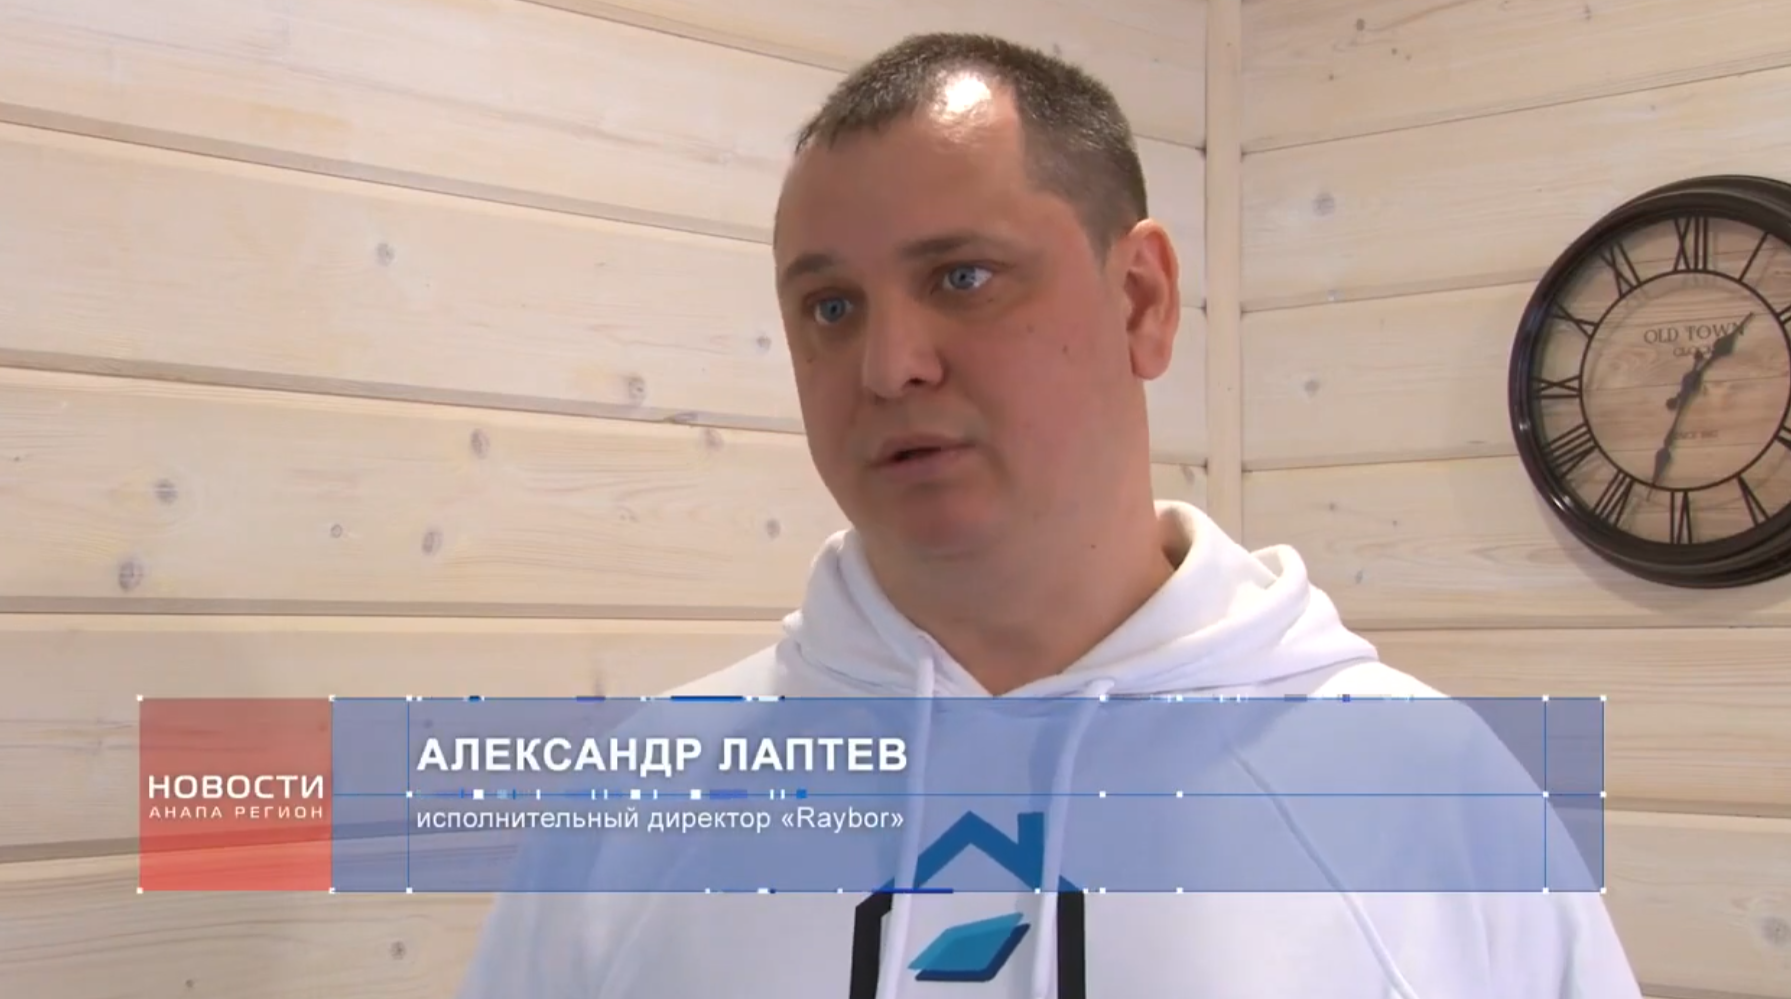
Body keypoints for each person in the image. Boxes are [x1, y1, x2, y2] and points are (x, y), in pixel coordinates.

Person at [452, 32, 1643, 999]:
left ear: (1141, 301)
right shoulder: (639, 807)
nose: (889, 364)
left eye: (962, 277)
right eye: (830, 307)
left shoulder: (1433, 801)